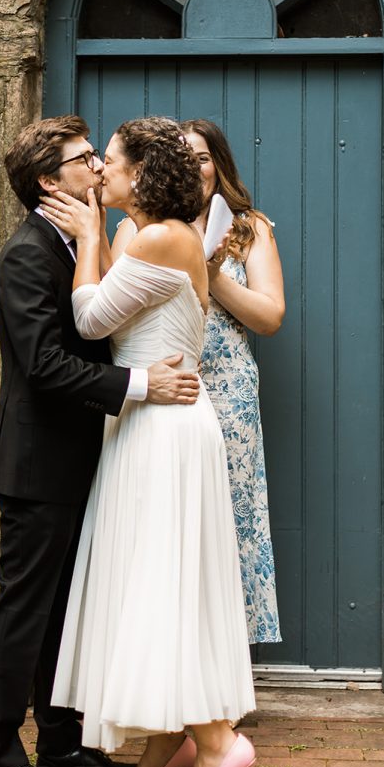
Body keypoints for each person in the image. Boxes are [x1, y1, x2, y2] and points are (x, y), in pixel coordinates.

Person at [0, 115, 201, 767]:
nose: (98, 168)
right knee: (24, 613)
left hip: (91, 460)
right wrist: (141, 386)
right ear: (51, 180)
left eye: (99, 158)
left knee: (62, 615)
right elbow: (45, 365)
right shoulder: (26, 254)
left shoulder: (79, 244)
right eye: (84, 160)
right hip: (40, 466)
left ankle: (62, 744)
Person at [42, 117, 256, 767]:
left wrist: (90, 241)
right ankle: (167, 747)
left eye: (109, 160)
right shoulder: (159, 234)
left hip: (164, 432)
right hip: (147, 422)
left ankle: (220, 743)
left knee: (160, 586)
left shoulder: (163, 236)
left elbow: (91, 320)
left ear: (139, 173)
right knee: (151, 582)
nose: (99, 171)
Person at [113, 119, 285, 646]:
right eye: (185, 156)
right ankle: (163, 656)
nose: (196, 166)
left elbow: (270, 316)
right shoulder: (138, 226)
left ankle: (224, 668)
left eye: (204, 156)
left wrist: (208, 277)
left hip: (227, 391)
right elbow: (115, 309)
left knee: (227, 520)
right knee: (164, 522)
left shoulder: (248, 228)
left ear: (220, 165)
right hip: (160, 382)